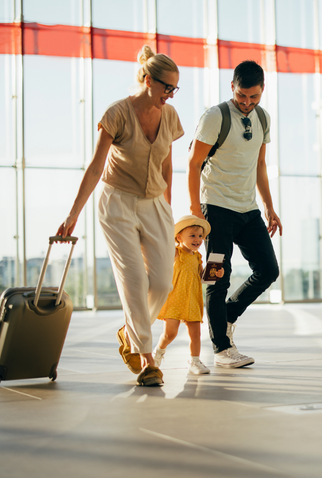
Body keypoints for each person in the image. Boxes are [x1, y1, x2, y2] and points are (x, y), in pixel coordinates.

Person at [56, 45, 184, 386]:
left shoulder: (170, 116)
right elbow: (97, 166)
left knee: (161, 282)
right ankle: (146, 360)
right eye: (166, 87)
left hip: (155, 203)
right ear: (147, 79)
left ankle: (130, 332)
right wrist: (73, 214)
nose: (170, 95)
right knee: (134, 280)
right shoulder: (117, 113)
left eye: (175, 88)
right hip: (118, 203)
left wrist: (169, 210)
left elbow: (168, 166)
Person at [187, 60, 282, 368]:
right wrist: (194, 209)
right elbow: (193, 164)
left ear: (262, 91)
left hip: (248, 208)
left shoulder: (263, 118)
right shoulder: (215, 116)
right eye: (242, 96)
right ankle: (221, 348)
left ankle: (227, 316)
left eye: (253, 97)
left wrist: (269, 206)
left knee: (268, 270)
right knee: (217, 277)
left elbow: (260, 165)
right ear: (232, 87)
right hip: (215, 207)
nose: (247, 103)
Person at [153, 215, 224, 374]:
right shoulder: (176, 253)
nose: (197, 239)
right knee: (170, 333)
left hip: (192, 299)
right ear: (179, 237)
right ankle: (159, 351)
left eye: (200, 236)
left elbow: (202, 277)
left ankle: (194, 361)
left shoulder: (198, 256)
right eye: (192, 235)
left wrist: (216, 273)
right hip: (175, 298)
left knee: (196, 334)